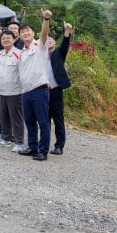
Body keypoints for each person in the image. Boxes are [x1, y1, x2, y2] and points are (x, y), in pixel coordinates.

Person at [17, 10, 53, 161]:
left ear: (33, 33)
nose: (25, 33)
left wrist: (45, 19)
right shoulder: (21, 52)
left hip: (39, 89)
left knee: (43, 122)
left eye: (28, 31)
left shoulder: (39, 46)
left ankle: (43, 151)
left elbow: (44, 34)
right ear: (19, 36)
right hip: (26, 91)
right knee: (30, 121)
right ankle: (33, 147)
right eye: (22, 32)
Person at [0, 30, 25, 152]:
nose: (6, 40)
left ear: (14, 40)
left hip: (15, 92)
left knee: (16, 118)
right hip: (1, 91)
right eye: (3, 38)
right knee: (3, 117)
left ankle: (19, 142)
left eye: (8, 38)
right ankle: (5, 139)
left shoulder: (19, 54)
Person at [47, 22, 73, 155]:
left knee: (58, 119)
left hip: (56, 91)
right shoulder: (39, 54)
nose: (48, 42)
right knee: (44, 119)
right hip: (42, 91)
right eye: (46, 40)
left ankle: (59, 146)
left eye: (51, 40)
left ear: (54, 42)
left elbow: (65, 45)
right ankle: (44, 144)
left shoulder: (58, 53)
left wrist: (67, 32)